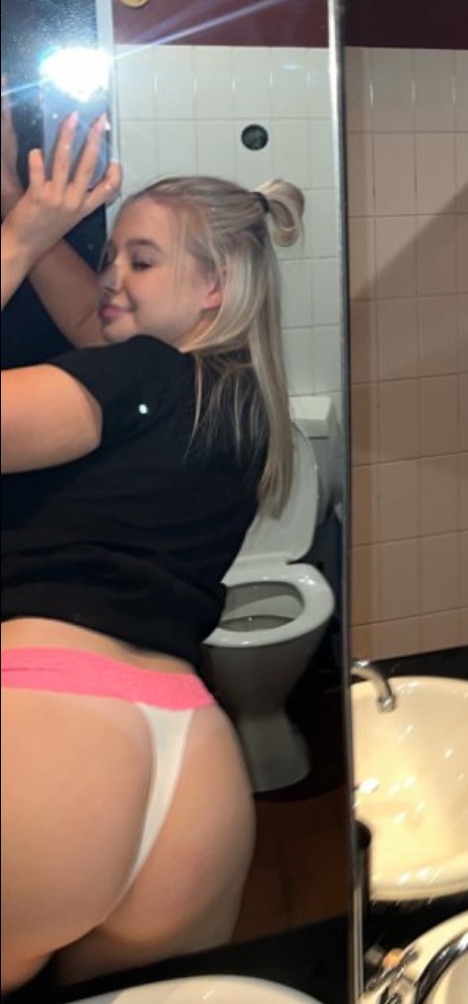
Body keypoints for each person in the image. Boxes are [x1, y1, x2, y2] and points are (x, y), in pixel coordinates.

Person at [0, 113, 305, 993]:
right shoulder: (242, 404)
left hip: (49, 730)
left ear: (213, 286)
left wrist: (20, 236)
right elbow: (94, 325)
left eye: (140, 260)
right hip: (195, 766)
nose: (110, 277)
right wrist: (19, 197)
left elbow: (113, 355)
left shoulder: (138, 378)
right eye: (109, 258)